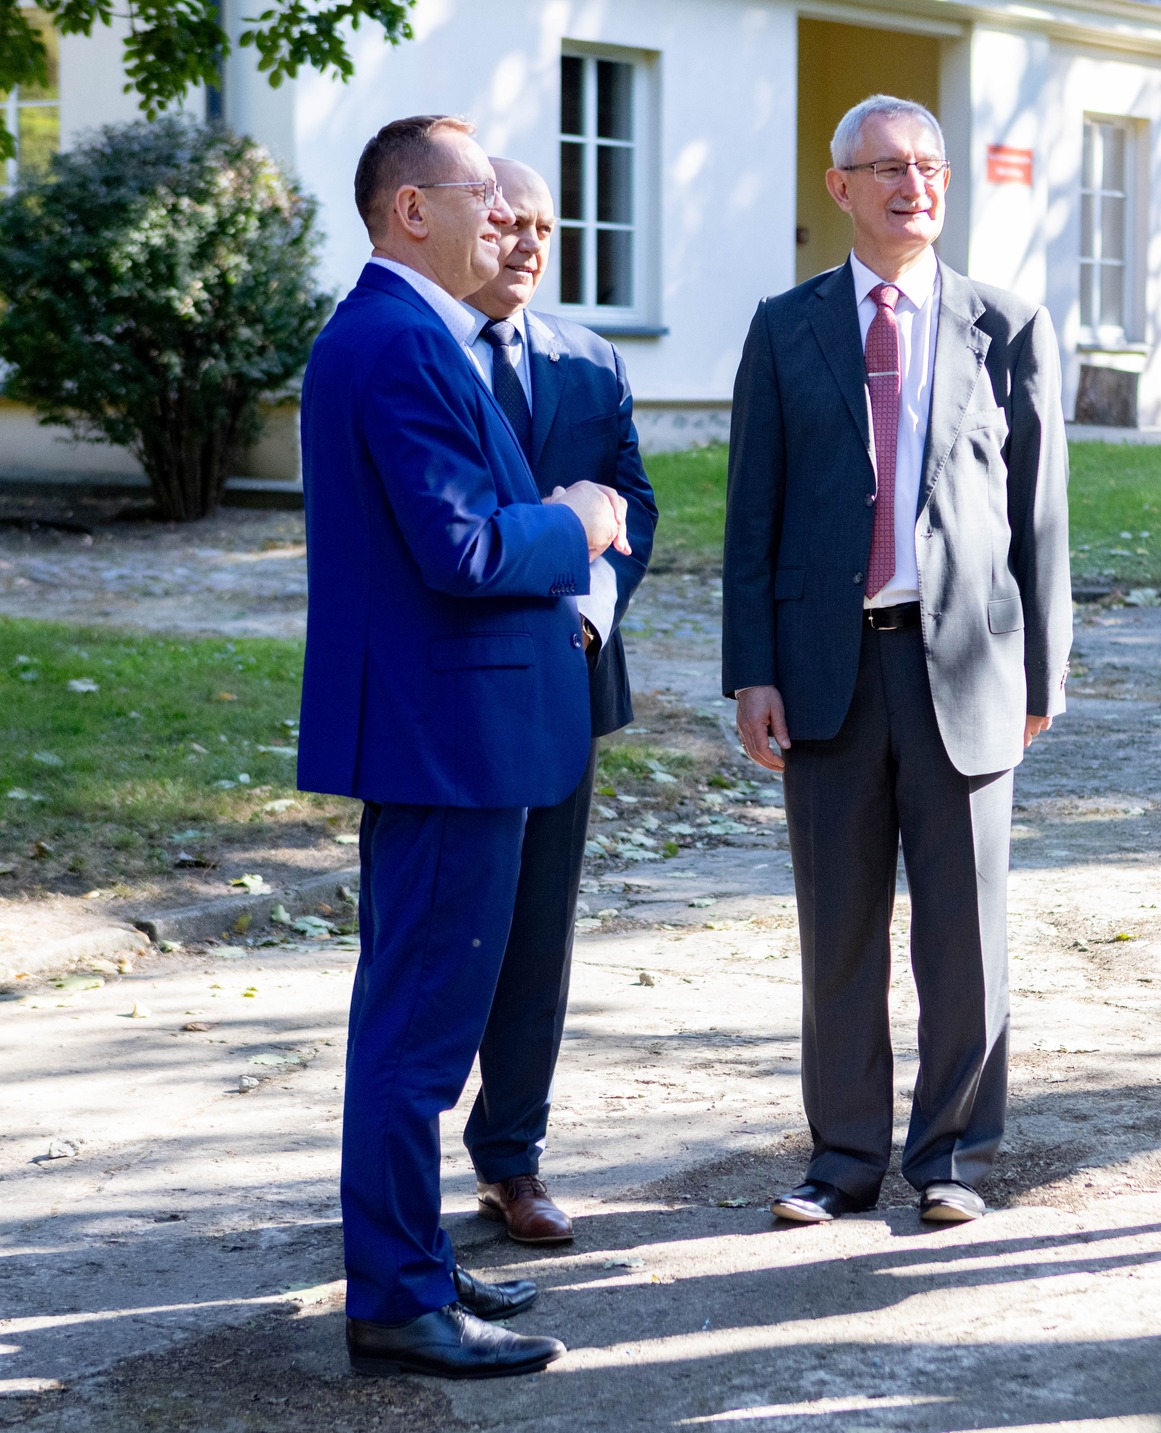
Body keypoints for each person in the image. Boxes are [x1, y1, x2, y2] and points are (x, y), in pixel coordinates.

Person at [297, 114, 630, 1379]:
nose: (505, 218)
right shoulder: (391, 340)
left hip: (466, 732)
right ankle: (394, 1297)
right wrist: (578, 518)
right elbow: (467, 548)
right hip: (449, 739)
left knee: (422, 1021)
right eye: (479, 195)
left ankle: (416, 1267)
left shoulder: (408, 332)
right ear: (407, 211)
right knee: (418, 1036)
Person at [722, 94, 1070, 1226]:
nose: (909, 184)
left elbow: (1040, 524)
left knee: (963, 927)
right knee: (837, 923)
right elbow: (751, 512)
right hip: (827, 669)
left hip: (962, 664)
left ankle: (950, 1154)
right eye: (883, 167)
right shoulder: (784, 327)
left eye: (927, 167)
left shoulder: (1006, 327)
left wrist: (1042, 674)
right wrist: (751, 668)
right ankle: (841, 1157)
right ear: (839, 188)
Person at [458, 157, 659, 1247]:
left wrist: (589, 611)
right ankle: (397, 1156)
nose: (531, 243)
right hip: (449, 695)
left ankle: (513, 1160)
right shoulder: (425, 354)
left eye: (544, 225)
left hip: (570, 681)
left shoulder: (588, 360)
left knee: (539, 928)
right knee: (448, 929)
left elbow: (633, 503)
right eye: (509, 222)